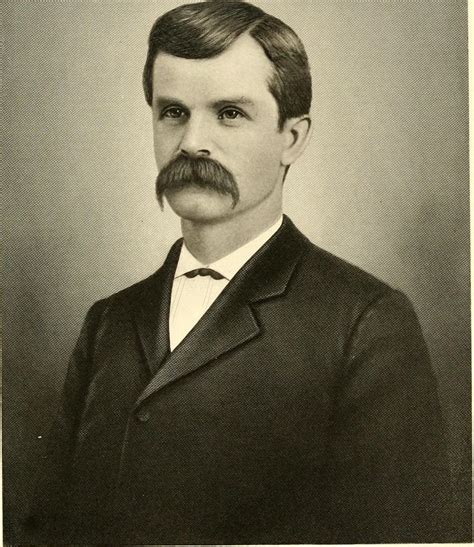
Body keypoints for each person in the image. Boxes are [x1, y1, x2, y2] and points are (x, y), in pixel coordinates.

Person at [27, 1, 454, 543]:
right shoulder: (108, 321)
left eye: (229, 113)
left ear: (292, 138)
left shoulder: (364, 323)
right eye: (173, 112)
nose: (191, 143)